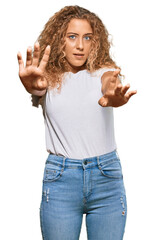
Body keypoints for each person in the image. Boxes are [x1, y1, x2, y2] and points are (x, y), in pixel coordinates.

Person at [17, 5, 137, 240]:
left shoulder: (105, 71)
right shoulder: (48, 79)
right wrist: (30, 84)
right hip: (61, 179)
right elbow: (36, 86)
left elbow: (108, 83)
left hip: (107, 179)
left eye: (87, 38)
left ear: (95, 42)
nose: (80, 45)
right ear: (59, 39)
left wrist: (113, 95)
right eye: (72, 37)